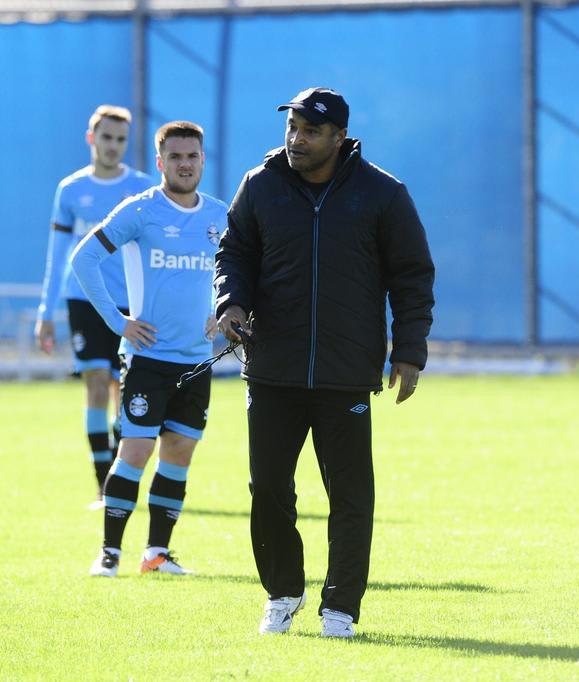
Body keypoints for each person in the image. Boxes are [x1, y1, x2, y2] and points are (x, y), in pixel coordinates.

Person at [214, 88, 435, 637]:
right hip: (272, 368)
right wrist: (231, 302)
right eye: (292, 126)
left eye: (311, 131)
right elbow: (234, 252)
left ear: (339, 137)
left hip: (345, 373)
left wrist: (408, 351)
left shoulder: (382, 194)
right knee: (267, 489)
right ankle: (282, 593)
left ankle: (340, 607)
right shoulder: (259, 186)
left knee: (351, 496)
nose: (296, 138)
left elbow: (412, 276)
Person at [70, 121, 224, 577]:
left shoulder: (220, 216)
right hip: (148, 359)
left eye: (192, 156)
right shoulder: (140, 210)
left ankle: (156, 553)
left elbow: (237, 270)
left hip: (198, 359)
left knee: (179, 452)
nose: (184, 164)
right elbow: (84, 258)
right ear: (160, 162)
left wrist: (227, 308)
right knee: (135, 452)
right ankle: (109, 554)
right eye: (175, 157)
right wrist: (118, 322)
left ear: (202, 160)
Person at [35, 105, 152, 508]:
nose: (113, 146)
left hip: (128, 301)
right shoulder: (70, 190)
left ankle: (120, 479)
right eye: (106, 137)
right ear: (91, 138)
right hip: (82, 298)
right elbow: (58, 253)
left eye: (120, 139)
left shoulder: (141, 187)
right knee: (96, 383)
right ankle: (103, 485)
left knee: (125, 390)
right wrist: (44, 313)